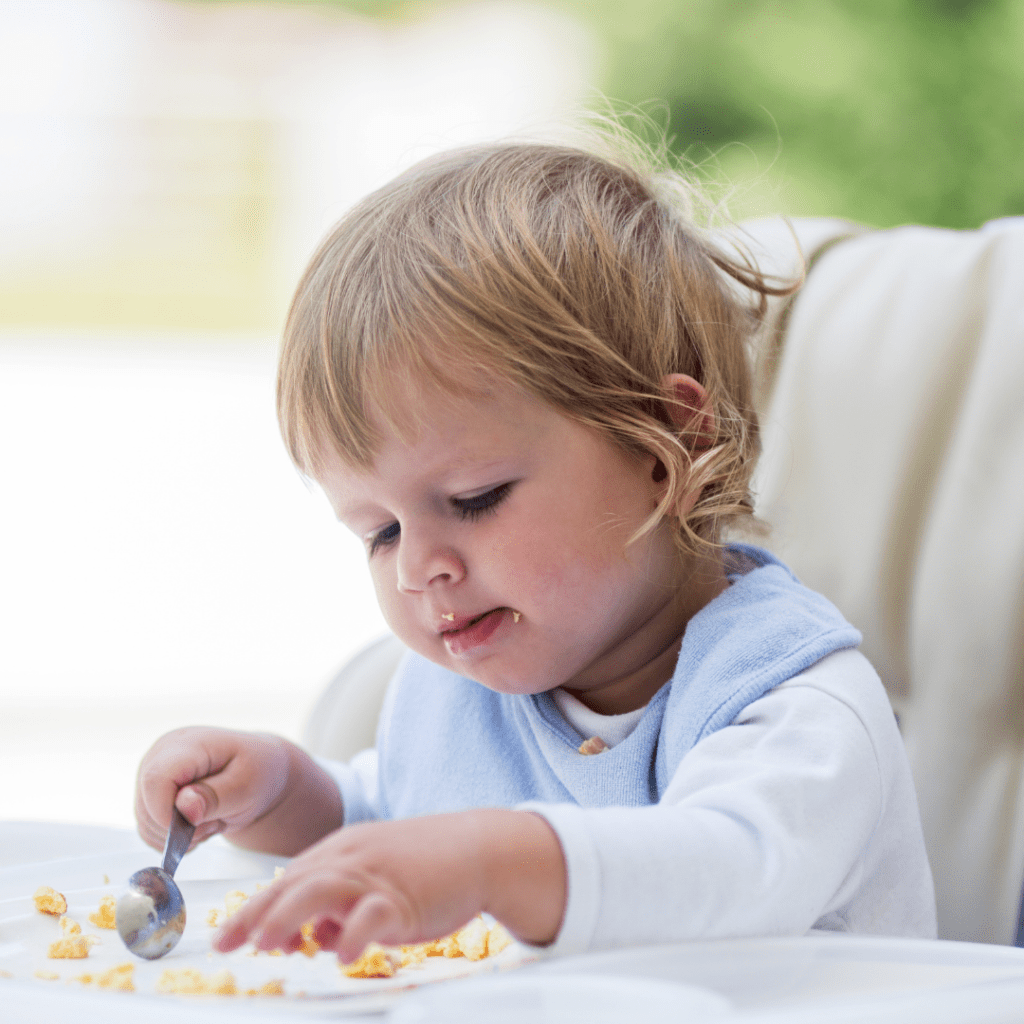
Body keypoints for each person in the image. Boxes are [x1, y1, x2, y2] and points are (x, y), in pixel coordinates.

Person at [134, 135, 936, 963]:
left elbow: (727, 871)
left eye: (473, 499)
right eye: (379, 532)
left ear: (663, 450)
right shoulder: (463, 691)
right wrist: (283, 793)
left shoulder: (790, 702)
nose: (418, 569)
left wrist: (491, 862)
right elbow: (395, 821)